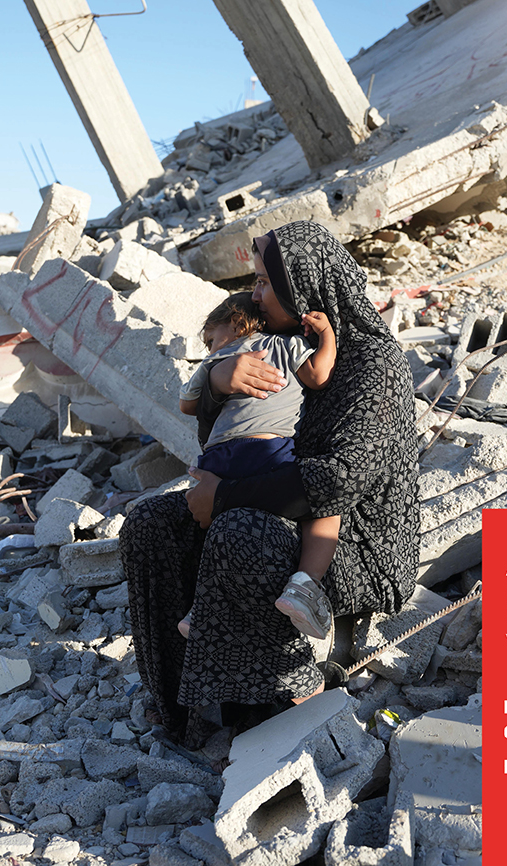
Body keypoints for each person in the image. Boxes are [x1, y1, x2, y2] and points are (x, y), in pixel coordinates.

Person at [120, 220, 420, 748]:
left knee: (240, 530)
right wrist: (217, 384)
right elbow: (224, 443)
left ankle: (278, 703)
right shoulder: (271, 347)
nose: (253, 294)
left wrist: (225, 498)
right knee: (150, 524)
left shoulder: (374, 367)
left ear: (300, 289)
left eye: (263, 282)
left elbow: (339, 479)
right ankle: (178, 705)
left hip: (346, 542)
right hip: (279, 507)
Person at [176, 290, 340, 640]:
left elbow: (186, 406)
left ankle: (201, 609)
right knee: (324, 507)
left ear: (236, 324)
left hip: (218, 458)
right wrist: (327, 335)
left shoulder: (214, 362)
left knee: (215, 530)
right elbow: (321, 376)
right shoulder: (288, 346)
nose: (210, 348)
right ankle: (304, 586)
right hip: (268, 449)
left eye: (211, 339)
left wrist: (217, 376)